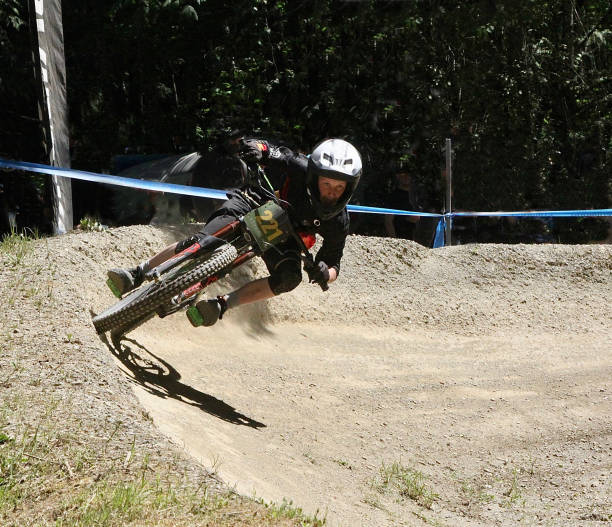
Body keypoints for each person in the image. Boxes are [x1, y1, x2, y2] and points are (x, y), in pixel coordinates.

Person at [107, 137, 362, 327]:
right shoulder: (299, 166)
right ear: (313, 176)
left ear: (349, 188)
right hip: (256, 202)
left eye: (338, 187)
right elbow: (272, 151)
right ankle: (138, 273)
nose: (331, 192)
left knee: (289, 278)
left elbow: (334, 264)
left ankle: (223, 304)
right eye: (326, 183)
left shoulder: (339, 221)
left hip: (287, 238)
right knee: (203, 241)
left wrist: (324, 273)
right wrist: (257, 148)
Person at [384, 168, 419, 240]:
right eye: (403, 175)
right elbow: (388, 221)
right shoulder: (393, 196)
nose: (406, 177)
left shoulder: (417, 195)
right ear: (398, 177)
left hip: (418, 238)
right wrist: (394, 241)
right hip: (401, 238)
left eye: (409, 175)